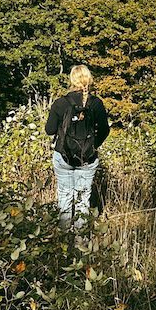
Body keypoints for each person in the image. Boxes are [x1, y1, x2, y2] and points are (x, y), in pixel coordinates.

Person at [45, 65, 110, 231]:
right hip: (88, 158)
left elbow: (49, 130)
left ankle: (64, 237)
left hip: (63, 155)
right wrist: (93, 146)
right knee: (83, 198)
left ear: (72, 80)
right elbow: (104, 130)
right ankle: (81, 242)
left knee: (65, 196)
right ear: (89, 79)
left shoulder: (60, 103)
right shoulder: (96, 103)